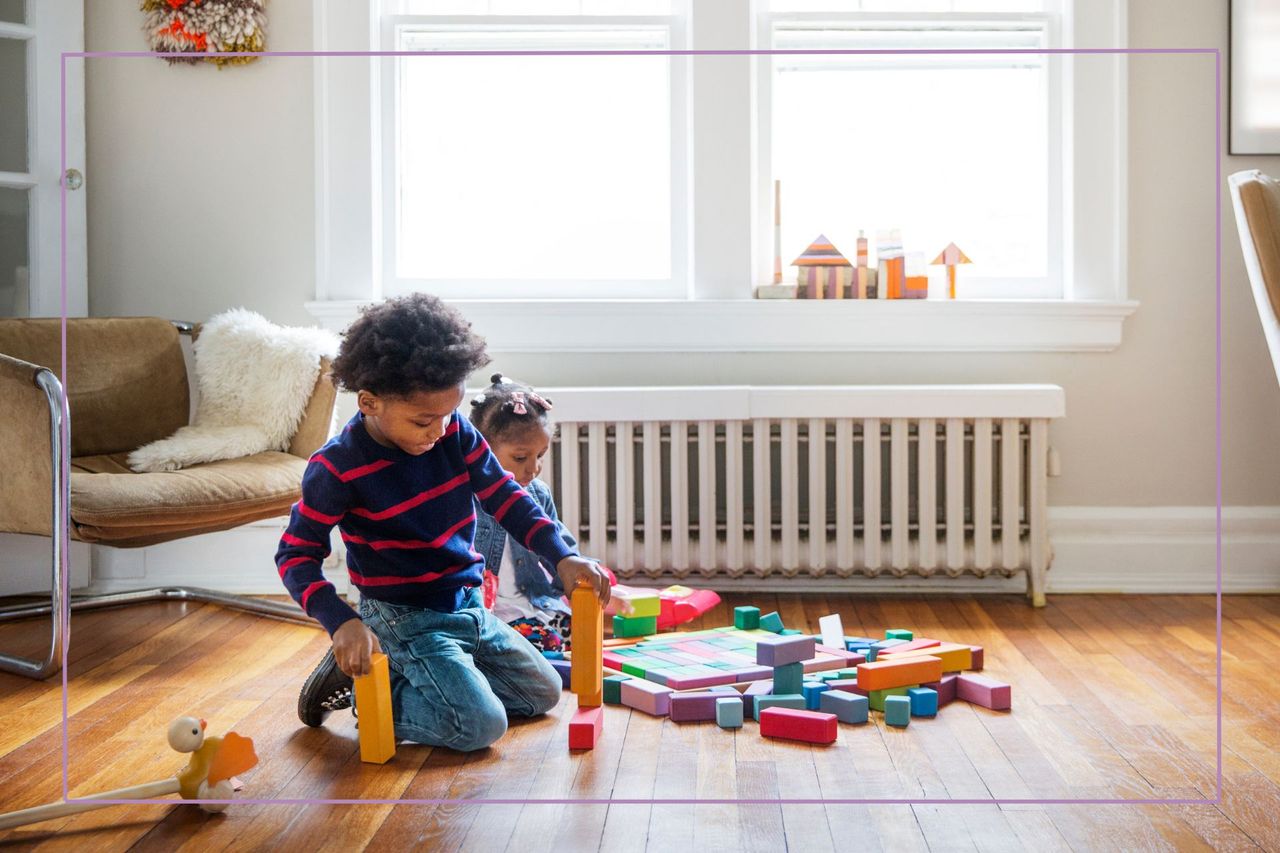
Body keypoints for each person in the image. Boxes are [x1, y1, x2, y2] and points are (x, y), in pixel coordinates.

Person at [277, 294, 610, 752]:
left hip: (468, 605)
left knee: (544, 692)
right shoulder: (336, 468)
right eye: (422, 421)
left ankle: (415, 675)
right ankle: (367, 691)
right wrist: (341, 622)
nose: (438, 431)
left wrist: (563, 555)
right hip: (404, 617)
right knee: (480, 727)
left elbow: (508, 498)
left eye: (447, 414)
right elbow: (296, 555)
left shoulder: (455, 432)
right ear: (370, 403)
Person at [469, 374, 611, 653]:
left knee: (581, 635)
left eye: (541, 455)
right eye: (520, 458)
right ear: (481, 451)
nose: (533, 469)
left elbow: (560, 549)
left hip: (534, 605)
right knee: (538, 644)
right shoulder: (463, 499)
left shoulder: (538, 493)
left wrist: (586, 579)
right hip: (488, 614)